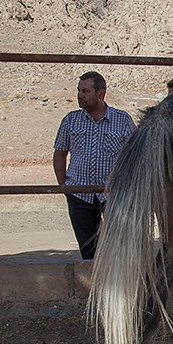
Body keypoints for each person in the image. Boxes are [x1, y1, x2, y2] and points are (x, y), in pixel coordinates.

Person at [53, 71, 136, 260]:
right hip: (79, 194)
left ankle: (118, 286)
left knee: (120, 247)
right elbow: (60, 153)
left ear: (101, 94)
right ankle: (92, 287)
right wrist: (63, 186)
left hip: (114, 194)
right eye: (79, 91)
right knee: (88, 250)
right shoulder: (70, 120)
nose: (80, 96)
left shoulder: (122, 120)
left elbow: (134, 155)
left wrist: (128, 186)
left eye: (85, 91)